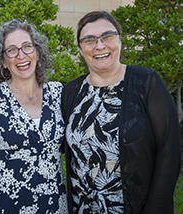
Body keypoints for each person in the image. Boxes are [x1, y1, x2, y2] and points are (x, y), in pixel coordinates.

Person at [61, 11, 181, 214]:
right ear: (81, 49)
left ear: (120, 40)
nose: (100, 46)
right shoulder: (71, 92)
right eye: (89, 40)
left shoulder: (146, 82)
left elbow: (169, 152)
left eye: (107, 36)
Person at [0, 19, 68, 213]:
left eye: (27, 47)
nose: (21, 55)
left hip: (54, 204)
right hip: (9, 204)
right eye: (11, 50)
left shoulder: (58, 93)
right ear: (2, 60)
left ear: (37, 51)